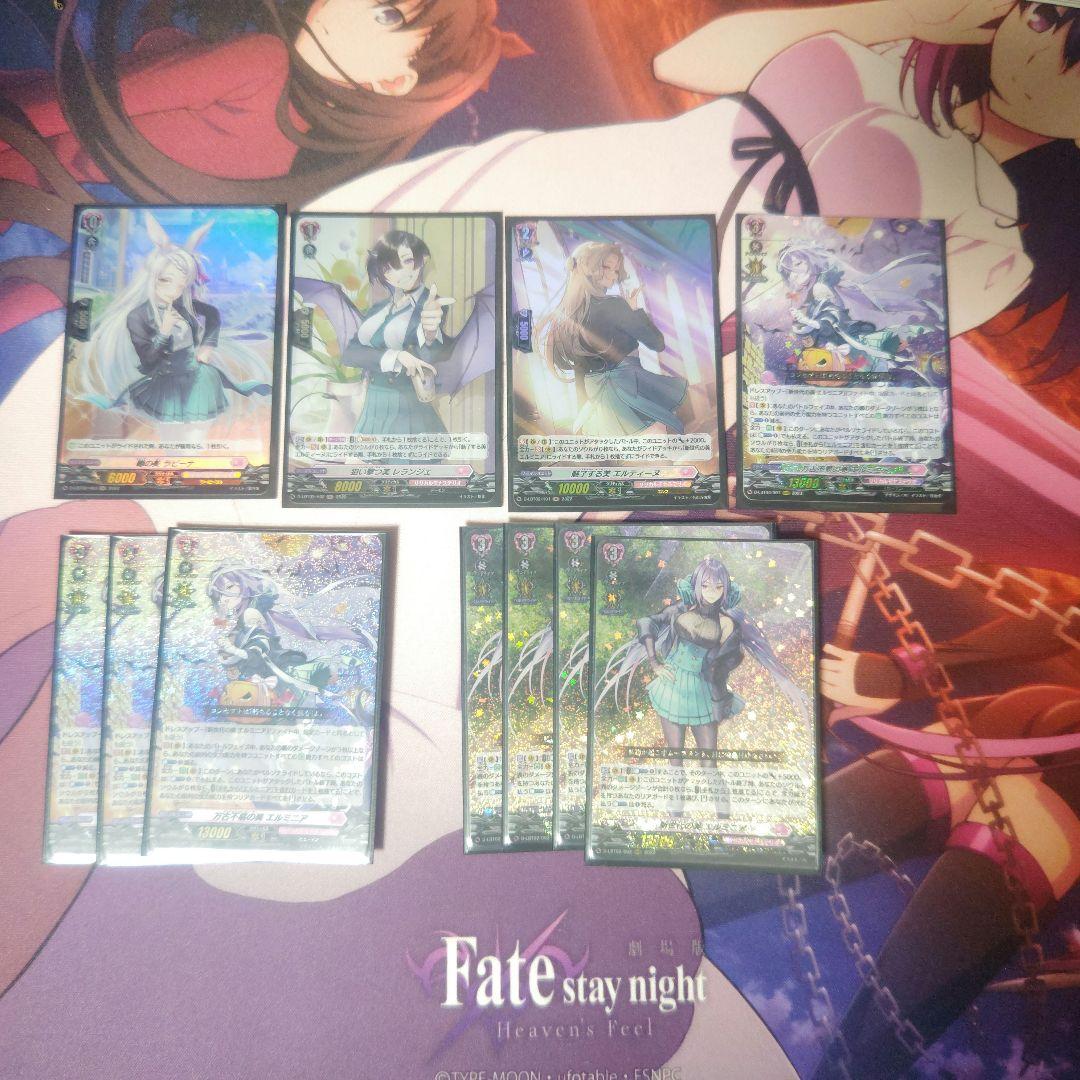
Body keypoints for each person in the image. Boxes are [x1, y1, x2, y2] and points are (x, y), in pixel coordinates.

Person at [71, 214, 271, 426]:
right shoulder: (138, 315)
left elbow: (212, 314)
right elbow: (149, 361)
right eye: (166, 280)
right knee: (169, 427)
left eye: (182, 285)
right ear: (151, 277)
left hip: (198, 377)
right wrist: (164, 332)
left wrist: (207, 347)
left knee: (197, 427)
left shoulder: (182, 306)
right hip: (165, 383)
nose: (174, 291)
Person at [536, 240, 687, 436]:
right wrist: (635, 311)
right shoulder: (614, 305)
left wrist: (584, 416)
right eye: (607, 267)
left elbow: (580, 373)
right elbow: (657, 343)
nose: (613, 275)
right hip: (634, 400)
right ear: (588, 267)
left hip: (601, 413)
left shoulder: (567, 320)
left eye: (616, 270)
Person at [339, 229, 452, 437]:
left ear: (423, 258)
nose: (398, 273)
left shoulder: (433, 305)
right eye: (388, 268)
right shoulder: (378, 309)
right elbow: (350, 354)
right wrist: (397, 356)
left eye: (406, 261)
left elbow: (430, 357)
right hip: (373, 404)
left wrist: (429, 333)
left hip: (407, 405)